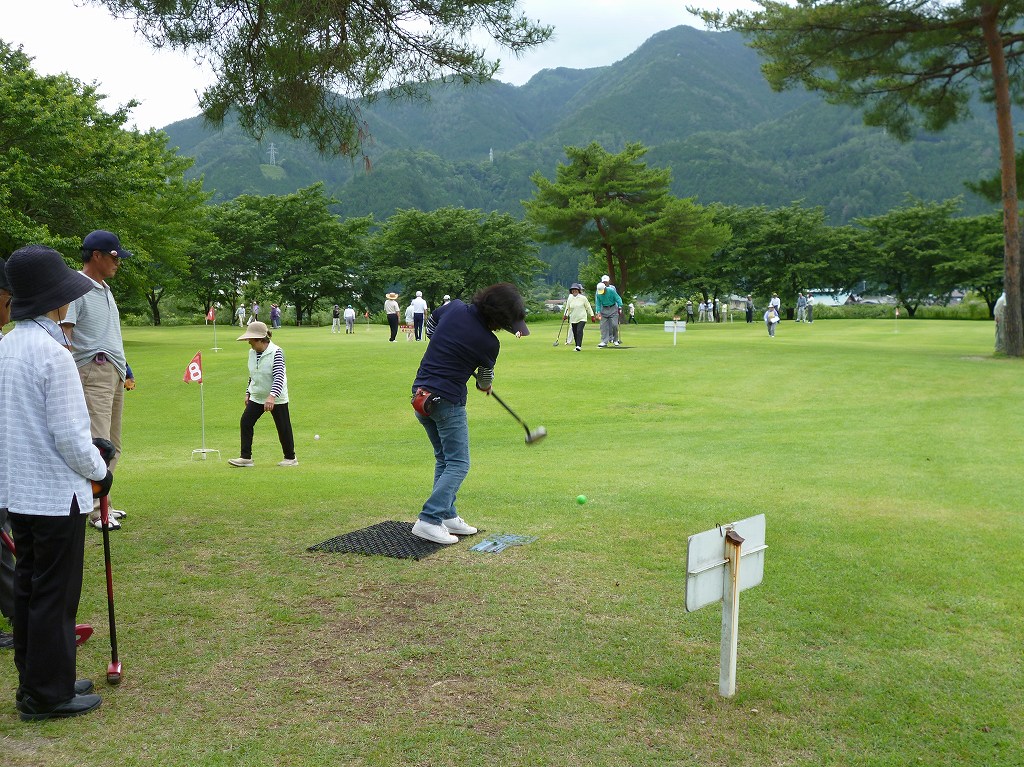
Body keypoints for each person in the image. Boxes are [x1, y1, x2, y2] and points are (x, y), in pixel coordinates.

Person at [1, 244, 110, 721]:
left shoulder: (7, 345)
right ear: (53, 298)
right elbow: (71, 436)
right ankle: (48, 693)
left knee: (29, 589)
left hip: (19, 492)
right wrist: (101, 471)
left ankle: (38, 681)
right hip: (54, 494)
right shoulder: (53, 354)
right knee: (54, 597)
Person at [409, 283, 530, 544]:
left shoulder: (452, 307)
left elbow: (432, 326)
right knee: (458, 463)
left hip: (420, 395)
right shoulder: (489, 343)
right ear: (497, 318)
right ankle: (429, 519)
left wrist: (446, 344)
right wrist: (483, 384)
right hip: (446, 401)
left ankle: (447, 514)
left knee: (444, 459)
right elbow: (484, 382)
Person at [60, 230, 131, 532]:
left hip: (113, 371)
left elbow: (109, 334)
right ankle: (95, 510)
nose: (118, 263)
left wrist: (126, 368)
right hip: (92, 370)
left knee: (113, 444)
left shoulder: (105, 289)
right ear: (97, 255)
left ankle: (105, 502)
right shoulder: (76, 287)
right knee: (98, 445)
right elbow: (65, 333)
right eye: (114, 257)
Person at [228, 322, 297, 468]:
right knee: (246, 422)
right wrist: (248, 392)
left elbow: (279, 376)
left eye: (251, 340)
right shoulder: (252, 353)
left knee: (283, 427)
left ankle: (290, 458)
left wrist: (272, 396)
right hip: (257, 396)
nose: (249, 342)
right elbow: (253, 374)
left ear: (260, 339)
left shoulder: (276, 352)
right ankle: (246, 458)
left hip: (276, 397)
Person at [563, 283, 595, 351]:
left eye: (576, 290)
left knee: (579, 330)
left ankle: (578, 346)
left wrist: (592, 315)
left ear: (578, 290)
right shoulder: (570, 298)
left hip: (582, 317)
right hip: (573, 318)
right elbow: (568, 308)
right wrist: (565, 315)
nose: (574, 291)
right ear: (571, 291)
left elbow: (588, 307)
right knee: (575, 332)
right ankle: (577, 345)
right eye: (573, 290)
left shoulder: (583, 298)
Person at [595, 278, 622, 347]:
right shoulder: (598, 293)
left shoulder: (611, 290)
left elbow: (618, 298)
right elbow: (598, 303)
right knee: (603, 326)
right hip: (604, 309)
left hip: (613, 308)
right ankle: (604, 341)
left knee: (614, 325)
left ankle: (615, 340)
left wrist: (620, 306)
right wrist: (598, 312)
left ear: (605, 288)